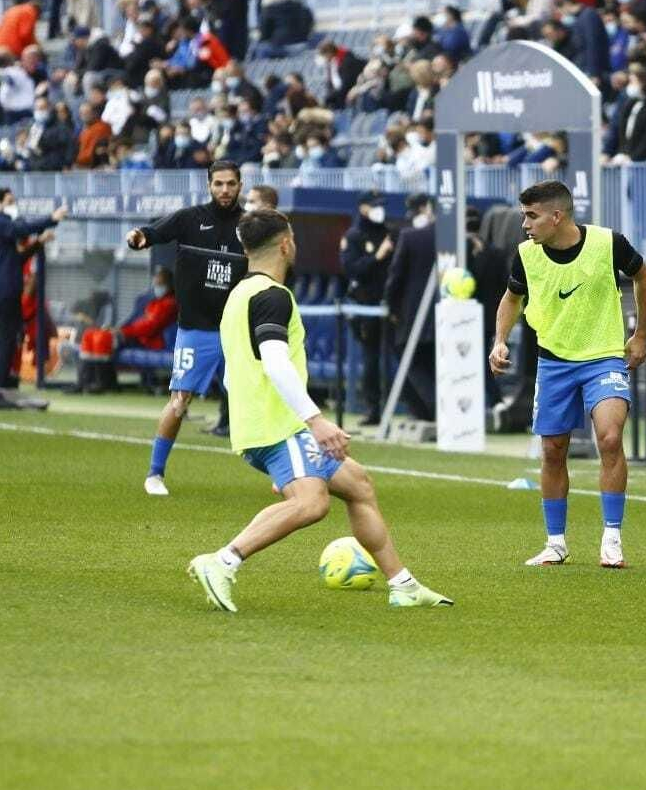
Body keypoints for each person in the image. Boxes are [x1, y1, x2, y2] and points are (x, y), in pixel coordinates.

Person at [186, 208, 453, 612]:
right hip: (280, 425)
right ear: (286, 244)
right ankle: (222, 562)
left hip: (261, 422)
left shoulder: (239, 294)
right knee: (312, 504)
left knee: (358, 485)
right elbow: (275, 362)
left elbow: (233, 371)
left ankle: (404, 584)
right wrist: (316, 421)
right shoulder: (272, 296)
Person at [488, 179, 646, 569]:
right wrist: (499, 340)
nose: (525, 224)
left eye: (532, 216)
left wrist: (641, 333)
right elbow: (512, 297)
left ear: (556, 215)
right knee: (552, 450)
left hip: (604, 357)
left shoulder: (608, 243)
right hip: (554, 362)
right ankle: (556, 543)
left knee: (610, 438)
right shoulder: (526, 255)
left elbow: (642, 276)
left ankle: (612, 539)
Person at [125, 161, 248, 496]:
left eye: (231, 184)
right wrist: (138, 237)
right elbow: (152, 233)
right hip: (197, 330)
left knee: (259, 400)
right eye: (219, 183)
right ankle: (154, 473)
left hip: (236, 331)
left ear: (240, 185)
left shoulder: (249, 225)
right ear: (209, 185)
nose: (225, 190)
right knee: (179, 402)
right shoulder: (190, 219)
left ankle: (282, 476)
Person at [0, 189, 67, 390]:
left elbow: (14, 260)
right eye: (9, 200)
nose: (13, 204)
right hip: (4, 290)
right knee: (6, 338)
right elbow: (23, 229)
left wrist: (37, 244)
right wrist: (51, 218)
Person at [384, 193, 440, 422]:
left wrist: (391, 307)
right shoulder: (462, 239)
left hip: (413, 314)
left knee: (413, 360)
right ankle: (431, 411)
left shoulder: (411, 237)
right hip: (449, 313)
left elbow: (395, 277)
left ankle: (435, 409)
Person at [341, 193, 393, 425]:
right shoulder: (354, 236)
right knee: (371, 359)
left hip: (389, 304)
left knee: (396, 353)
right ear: (362, 208)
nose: (378, 210)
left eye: (381, 205)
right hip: (366, 305)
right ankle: (372, 409)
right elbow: (352, 269)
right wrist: (377, 256)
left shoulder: (388, 232)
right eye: (374, 206)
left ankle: (398, 405)